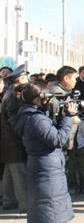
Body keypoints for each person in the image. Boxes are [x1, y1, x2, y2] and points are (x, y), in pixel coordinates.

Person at [14, 81, 77, 223]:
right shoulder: (36, 119)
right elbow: (58, 140)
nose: (49, 100)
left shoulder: (28, 114)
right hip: (47, 170)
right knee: (50, 210)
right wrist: (67, 117)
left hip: (44, 167)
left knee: (46, 208)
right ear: (37, 98)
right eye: (47, 97)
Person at [0, 65, 29, 213]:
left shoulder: (11, 92)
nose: (27, 80)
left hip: (9, 141)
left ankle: (8, 200)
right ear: (19, 79)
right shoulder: (12, 95)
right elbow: (13, 121)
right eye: (25, 77)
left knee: (10, 173)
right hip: (14, 141)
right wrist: (24, 134)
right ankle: (25, 204)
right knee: (19, 172)